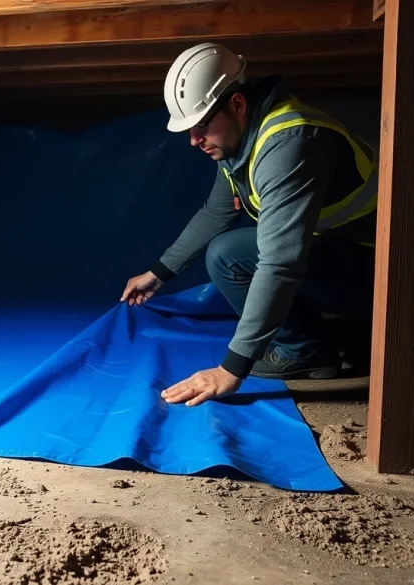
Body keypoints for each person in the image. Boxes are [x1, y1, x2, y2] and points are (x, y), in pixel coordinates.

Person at [120, 42, 380, 407]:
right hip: (343, 253)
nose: (194, 140)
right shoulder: (241, 140)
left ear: (238, 104)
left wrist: (231, 368)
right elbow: (217, 211)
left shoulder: (289, 143)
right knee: (227, 251)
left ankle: (305, 350)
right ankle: (311, 345)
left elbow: (280, 263)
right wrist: (158, 272)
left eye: (202, 125)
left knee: (229, 254)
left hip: (389, 274)